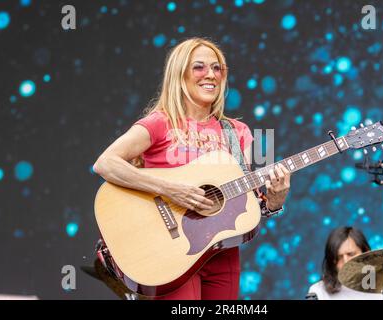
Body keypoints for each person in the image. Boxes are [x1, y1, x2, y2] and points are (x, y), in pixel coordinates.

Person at [93, 37, 291, 300]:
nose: (210, 74)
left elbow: (248, 202)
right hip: (172, 252)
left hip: (222, 255)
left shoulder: (237, 132)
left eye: (217, 68)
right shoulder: (160, 122)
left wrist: (275, 201)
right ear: (180, 74)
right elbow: (105, 163)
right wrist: (171, 190)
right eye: (199, 67)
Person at [307, 226, 383, 300]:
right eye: (338, 257)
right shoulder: (318, 291)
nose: (346, 262)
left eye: (351, 254)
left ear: (366, 253)